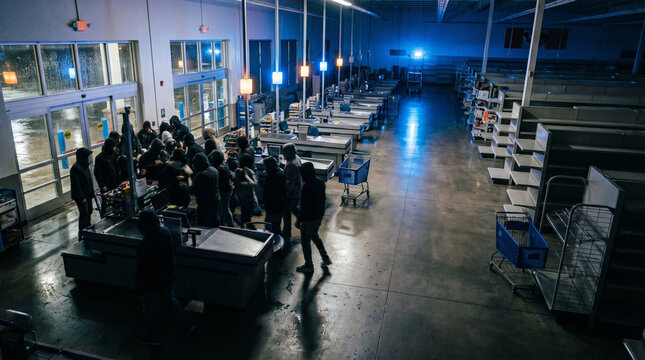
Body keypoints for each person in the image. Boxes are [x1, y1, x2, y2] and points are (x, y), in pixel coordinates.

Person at [136, 209, 195, 345]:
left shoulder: (144, 245)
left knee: (151, 310)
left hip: (152, 283)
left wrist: (139, 290)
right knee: (170, 302)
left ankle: (154, 337)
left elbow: (142, 271)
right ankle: (187, 326)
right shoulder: (166, 232)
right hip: (168, 276)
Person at [296, 162, 331, 274]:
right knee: (315, 236)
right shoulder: (321, 183)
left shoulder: (306, 187)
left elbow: (304, 207)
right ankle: (325, 258)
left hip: (309, 219)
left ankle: (309, 265)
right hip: (318, 216)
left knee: (305, 242)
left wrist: (299, 220)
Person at [70, 148, 95, 237]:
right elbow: (76, 185)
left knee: (89, 212)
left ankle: (87, 229)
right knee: (84, 214)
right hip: (82, 197)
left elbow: (89, 181)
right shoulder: (76, 168)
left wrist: (91, 193)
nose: (88, 158)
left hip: (87, 195)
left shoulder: (85, 166)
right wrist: (81, 197)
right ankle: (82, 232)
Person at [192, 153, 220, 227]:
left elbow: (195, 189)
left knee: (202, 222)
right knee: (214, 218)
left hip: (204, 202)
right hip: (215, 198)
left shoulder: (202, 174)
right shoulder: (214, 170)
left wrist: (184, 187)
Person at [282, 143, 302, 247]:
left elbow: (288, 182)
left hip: (291, 194)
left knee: (286, 214)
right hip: (298, 190)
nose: (283, 155)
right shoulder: (297, 158)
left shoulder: (290, 165)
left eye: (284, 153)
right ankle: (302, 222)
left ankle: (286, 233)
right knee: (294, 208)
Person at [208, 149, 233, 227]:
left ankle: (230, 225)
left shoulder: (219, 168)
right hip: (227, 189)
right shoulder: (224, 164)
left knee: (225, 209)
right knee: (222, 208)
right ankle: (223, 222)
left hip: (224, 190)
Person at [262, 156, 286, 236]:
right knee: (276, 225)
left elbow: (272, 194)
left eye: (265, 165)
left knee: (270, 227)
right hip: (279, 207)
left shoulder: (275, 177)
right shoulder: (280, 173)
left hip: (274, 207)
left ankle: (274, 243)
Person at [234, 154, 258, 227]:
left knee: (246, 216)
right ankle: (241, 223)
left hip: (249, 198)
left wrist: (246, 175)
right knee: (246, 217)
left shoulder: (250, 171)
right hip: (244, 199)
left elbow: (254, 183)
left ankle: (239, 220)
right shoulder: (239, 171)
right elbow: (241, 184)